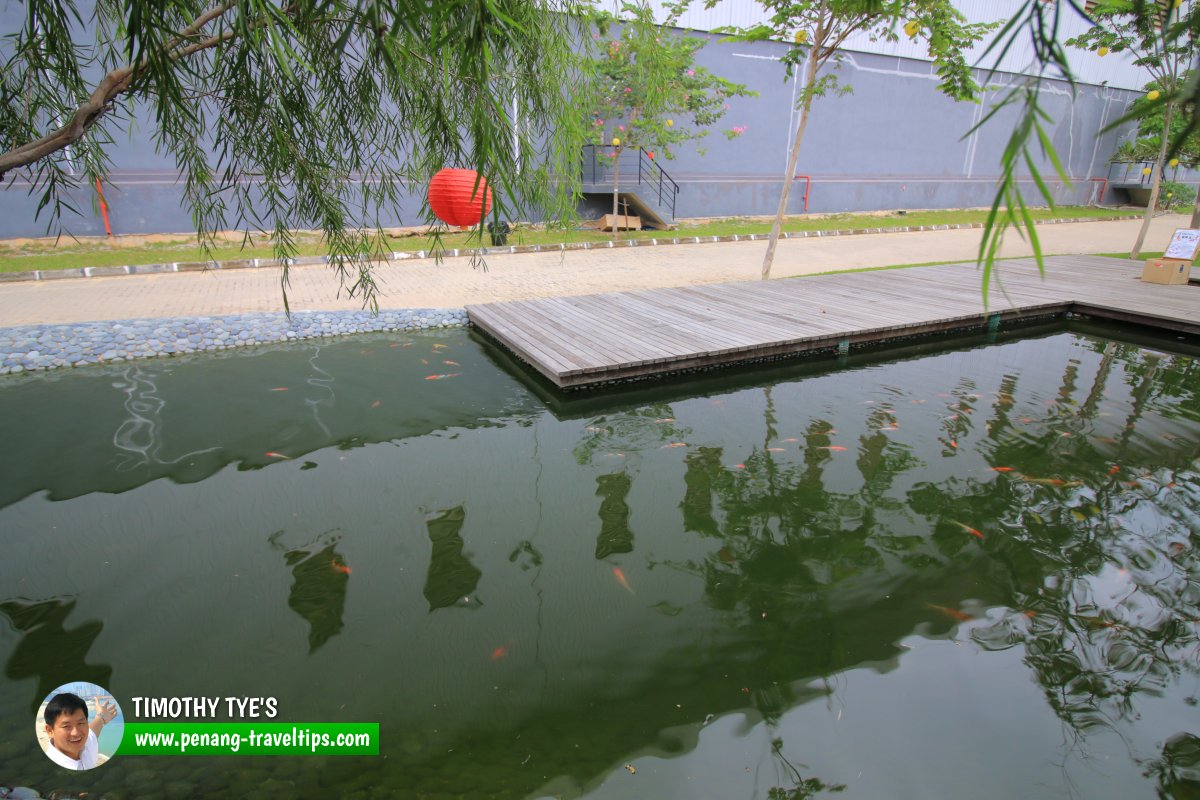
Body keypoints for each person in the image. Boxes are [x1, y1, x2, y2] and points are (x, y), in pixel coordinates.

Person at [42, 692, 116, 770]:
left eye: (80, 723)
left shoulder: (86, 746)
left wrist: (101, 716)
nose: (76, 733)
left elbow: (93, 729)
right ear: (50, 731)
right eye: (66, 726)